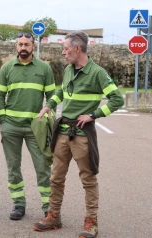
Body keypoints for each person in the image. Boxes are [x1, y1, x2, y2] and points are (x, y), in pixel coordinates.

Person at [32, 31, 124, 238]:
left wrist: (94, 114)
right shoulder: (67, 70)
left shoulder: (98, 73)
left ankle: (91, 222)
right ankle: (53, 217)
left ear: (77, 48)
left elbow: (118, 100)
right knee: (56, 178)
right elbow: (60, 93)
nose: (63, 53)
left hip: (82, 133)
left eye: (65, 49)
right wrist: (49, 106)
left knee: (88, 179)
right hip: (63, 131)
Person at [0, 32, 55, 220]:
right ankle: (18, 204)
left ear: (33, 46)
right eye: (20, 44)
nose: (23, 47)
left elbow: (52, 97)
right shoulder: (6, 68)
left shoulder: (44, 68)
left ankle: (48, 207)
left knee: (43, 167)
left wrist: (48, 118)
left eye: (27, 44)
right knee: (13, 167)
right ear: (16, 46)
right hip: (10, 127)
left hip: (35, 128)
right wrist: (2, 120)